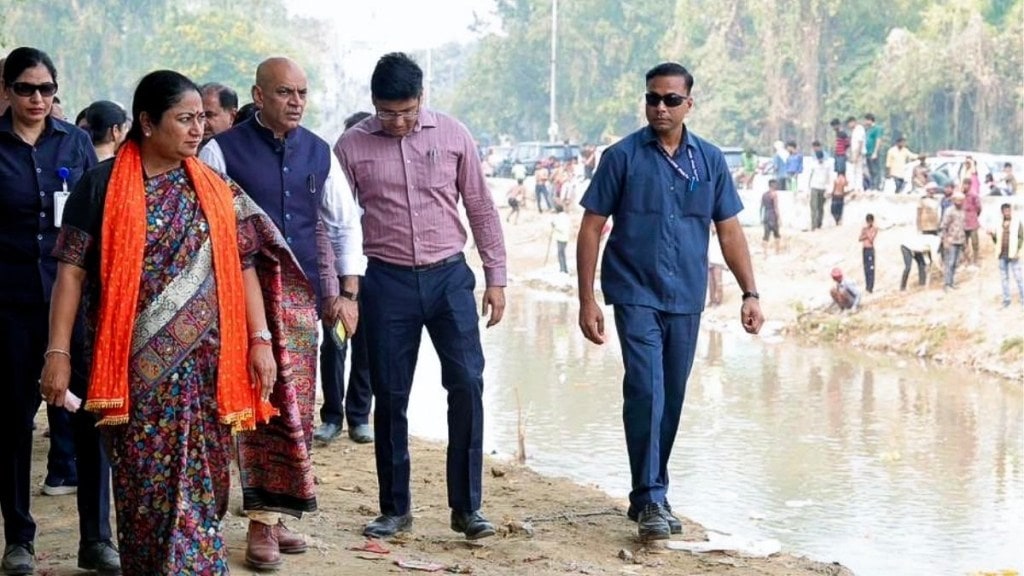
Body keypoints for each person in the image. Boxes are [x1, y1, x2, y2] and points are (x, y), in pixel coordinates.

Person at [41, 68, 296, 575]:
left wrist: (261, 339)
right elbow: (69, 275)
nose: (197, 129)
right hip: (134, 380)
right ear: (147, 122)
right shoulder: (103, 185)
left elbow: (245, 265)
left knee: (204, 493)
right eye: (184, 119)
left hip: (209, 375)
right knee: (145, 496)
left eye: (201, 118)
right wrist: (58, 353)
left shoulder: (216, 190)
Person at [576, 62, 763, 541]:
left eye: (670, 100)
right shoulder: (621, 158)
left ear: (688, 104)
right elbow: (592, 227)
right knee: (647, 387)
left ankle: (645, 497)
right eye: (652, 99)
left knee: (672, 396)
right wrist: (586, 299)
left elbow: (729, 229)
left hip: (685, 296)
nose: (660, 107)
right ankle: (655, 497)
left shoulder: (711, 161)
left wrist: (750, 292)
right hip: (634, 292)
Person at [200, 57, 366, 570]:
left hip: (299, 302)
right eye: (284, 92)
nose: (295, 102)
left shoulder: (319, 151)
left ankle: (275, 515)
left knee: (294, 405)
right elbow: (203, 228)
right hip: (235, 300)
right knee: (253, 408)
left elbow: (344, 224)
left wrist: (348, 293)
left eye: (302, 92)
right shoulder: (219, 150)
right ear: (258, 94)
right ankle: (257, 524)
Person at [334, 52, 507, 541]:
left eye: (406, 111)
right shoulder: (351, 146)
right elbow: (339, 224)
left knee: (467, 384)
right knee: (390, 395)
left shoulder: (453, 135)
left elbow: (480, 206)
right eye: (387, 113)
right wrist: (343, 290)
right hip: (384, 281)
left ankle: (467, 508)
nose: (398, 121)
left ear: (421, 98)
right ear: (373, 104)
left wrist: (496, 276)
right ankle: (395, 508)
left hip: (450, 277)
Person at [0, 46, 119, 576]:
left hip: (73, 304)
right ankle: (19, 539)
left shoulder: (74, 142)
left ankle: (96, 539)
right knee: (12, 424)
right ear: (7, 90)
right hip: (11, 304)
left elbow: (95, 220)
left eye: (46, 89)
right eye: (26, 89)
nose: (37, 99)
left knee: (88, 419)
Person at [316, 109, 375, 447]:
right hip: (338, 278)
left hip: (372, 276)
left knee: (366, 346)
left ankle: (359, 416)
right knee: (335, 344)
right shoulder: (330, 179)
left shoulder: (377, 181)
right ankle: (332, 416)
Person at [990, 203, 1023, 307]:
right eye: (1005, 211)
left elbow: (1021, 238)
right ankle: (1006, 300)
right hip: (1002, 255)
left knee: (1018, 278)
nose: (1007, 213)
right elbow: (997, 241)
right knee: (1004, 278)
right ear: (1002, 212)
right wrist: (992, 236)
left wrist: (1018, 251)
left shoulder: (1017, 223)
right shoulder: (998, 223)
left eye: (1009, 210)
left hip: (1013, 254)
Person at [940, 192, 967, 291]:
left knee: (955, 263)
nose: (959, 202)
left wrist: (964, 242)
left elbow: (963, 226)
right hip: (951, 240)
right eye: (958, 200)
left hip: (959, 240)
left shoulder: (962, 211)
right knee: (949, 263)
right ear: (954, 200)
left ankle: (952, 282)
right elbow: (944, 227)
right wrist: (945, 240)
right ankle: (947, 284)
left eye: (961, 200)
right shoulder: (949, 211)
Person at [807, 140, 833, 231]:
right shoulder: (813, 164)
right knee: (814, 207)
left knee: (820, 207)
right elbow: (809, 176)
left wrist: (829, 189)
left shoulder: (828, 165)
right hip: (814, 187)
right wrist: (807, 188)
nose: (820, 160)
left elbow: (830, 177)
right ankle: (813, 226)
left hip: (822, 188)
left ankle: (819, 224)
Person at [760, 178, 781, 255]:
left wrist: (761, 218)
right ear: (773, 185)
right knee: (777, 234)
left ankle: (765, 252)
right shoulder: (774, 194)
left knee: (766, 235)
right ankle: (777, 252)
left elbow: (761, 207)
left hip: (766, 215)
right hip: (772, 216)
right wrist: (779, 218)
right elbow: (776, 207)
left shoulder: (764, 194)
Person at [859, 213, 877, 293]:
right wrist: (865, 234)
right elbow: (860, 238)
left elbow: (871, 239)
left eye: (870, 221)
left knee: (871, 268)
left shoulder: (874, 229)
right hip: (865, 249)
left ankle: (870, 286)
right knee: (866, 268)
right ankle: (867, 286)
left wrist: (866, 233)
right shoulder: (864, 229)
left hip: (870, 249)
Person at [552, 204, 570, 274]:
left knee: (560, 254)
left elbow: (561, 228)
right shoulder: (565, 216)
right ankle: (564, 269)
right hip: (565, 237)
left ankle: (563, 269)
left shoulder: (560, 217)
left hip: (561, 238)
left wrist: (554, 226)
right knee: (562, 254)